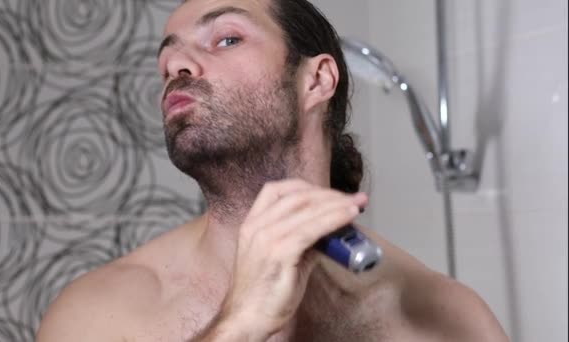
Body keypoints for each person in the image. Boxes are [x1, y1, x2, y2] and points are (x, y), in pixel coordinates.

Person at [37, 0, 509, 341]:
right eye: (167, 61)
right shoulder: (98, 317)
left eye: (226, 38)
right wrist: (237, 326)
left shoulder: (452, 321)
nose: (176, 65)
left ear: (317, 80)